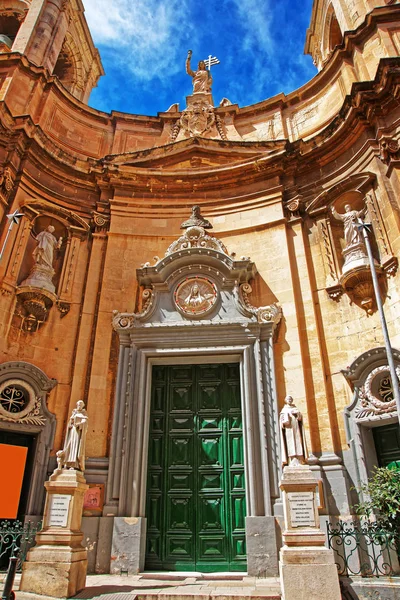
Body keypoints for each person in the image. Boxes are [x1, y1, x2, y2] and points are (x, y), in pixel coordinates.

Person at [279, 395, 308, 467]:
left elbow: (300, 418)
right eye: (288, 399)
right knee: (290, 443)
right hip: (289, 429)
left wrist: (297, 414)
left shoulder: (295, 408)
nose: (289, 400)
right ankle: (292, 460)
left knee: (298, 442)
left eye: (290, 399)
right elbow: (282, 420)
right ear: (285, 400)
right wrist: (287, 415)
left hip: (296, 428)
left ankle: (300, 459)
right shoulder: (284, 410)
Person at [62, 400, 88, 471]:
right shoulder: (74, 413)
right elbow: (69, 424)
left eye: (81, 405)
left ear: (83, 406)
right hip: (72, 432)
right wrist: (71, 423)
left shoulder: (84, 414)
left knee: (76, 447)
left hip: (78, 434)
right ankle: (66, 463)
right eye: (78, 405)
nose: (79, 406)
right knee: (69, 446)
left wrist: (79, 424)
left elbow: (85, 423)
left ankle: (74, 464)